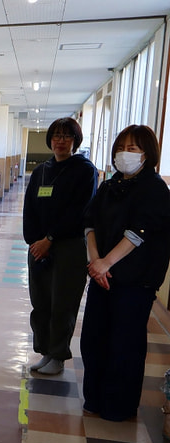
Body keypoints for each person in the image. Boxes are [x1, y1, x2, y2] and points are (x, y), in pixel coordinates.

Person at [80, 124, 170, 422]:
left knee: (124, 344)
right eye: (120, 148)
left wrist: (107, 262)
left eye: (132, 148)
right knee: (93, 339)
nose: (124, 154)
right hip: (102, 276)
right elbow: (90, 222)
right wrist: (96, 262)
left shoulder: (155, 189)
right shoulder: (110, 186)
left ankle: (118, 407)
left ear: (147, 154)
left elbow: (138, 233)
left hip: (134, 281)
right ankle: (94, 398)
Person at [23, 117, 97, 376]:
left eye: (67, 136)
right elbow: (30, 207)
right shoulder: (42, 171)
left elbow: (79, 211)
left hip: (68, 247)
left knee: (63, 303)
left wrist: (50, 239)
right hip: (38, 247)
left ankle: (58, 355)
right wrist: (34, 241)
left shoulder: (85, 170)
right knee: (41, 302)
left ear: (76, 141)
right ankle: (45, 350)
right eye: (56, 135)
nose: (61, 141)